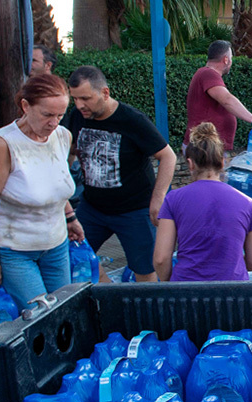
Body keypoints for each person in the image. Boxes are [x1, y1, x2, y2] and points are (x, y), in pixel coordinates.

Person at [0, 74, 83, 309]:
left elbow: (54, 184)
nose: (54, 123)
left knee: (65, 311)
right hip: (16, 251)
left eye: (60, 115)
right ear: (25, 106)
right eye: (47, 115)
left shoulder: (62, 136)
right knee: (40, 315)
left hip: (56, 245)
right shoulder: (3, 144)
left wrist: (70, 217)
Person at [66, 65, 176, 283]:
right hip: (93, 208)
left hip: (134, 210)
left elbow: (168, 156)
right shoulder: (76, 116)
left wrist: (158, 199)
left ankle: (145, 305)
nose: (79, 105)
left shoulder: (132, 120)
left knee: (144, 269)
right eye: (75, 99)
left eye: (85, 98)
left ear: (105, 93)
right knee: (73, 255)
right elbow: (69, 151)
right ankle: (109, 295)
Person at [153, 123, 252, 282]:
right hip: (234, 291)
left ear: (190, 164)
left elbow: (161, 259)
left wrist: (171, 284)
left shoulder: (173, 199)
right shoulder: (247, 202)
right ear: (222, 162)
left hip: (186, 289)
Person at [185, 40, 252, 152]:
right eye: (231, 58)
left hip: (208, 147)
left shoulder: (206, 74)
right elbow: (227, 100)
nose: (231, 62)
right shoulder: (208, 74)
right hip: (204, 148)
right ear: (226, 60)